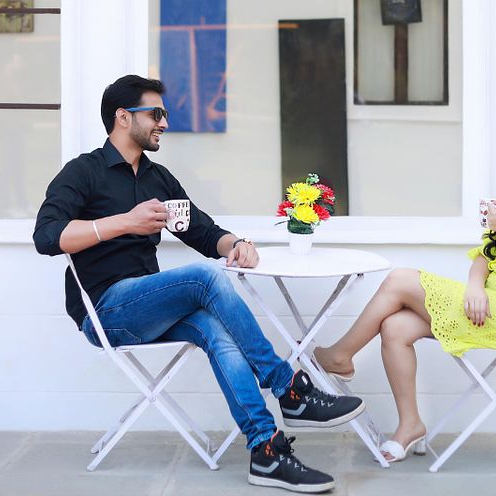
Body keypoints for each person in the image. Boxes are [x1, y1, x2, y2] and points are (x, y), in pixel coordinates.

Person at [34, 74, 365, 492]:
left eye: (164, 114)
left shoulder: (157, 179)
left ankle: (266, 450)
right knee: (205, 278)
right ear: (123, 117)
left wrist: (236, 244)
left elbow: (203, 232)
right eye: (156, 113)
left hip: (149, 307)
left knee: (215, 329)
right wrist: (125, 222)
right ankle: (288, 388)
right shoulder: (84, 172)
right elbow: (46, 236)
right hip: (105, 311)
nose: (164, 123)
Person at [313, 113, 496, 462]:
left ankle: (340, 356)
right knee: (395, 326)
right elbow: (485, 255)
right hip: (489, 301)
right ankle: (410, 425)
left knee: (400, 279)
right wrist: (475, 286)